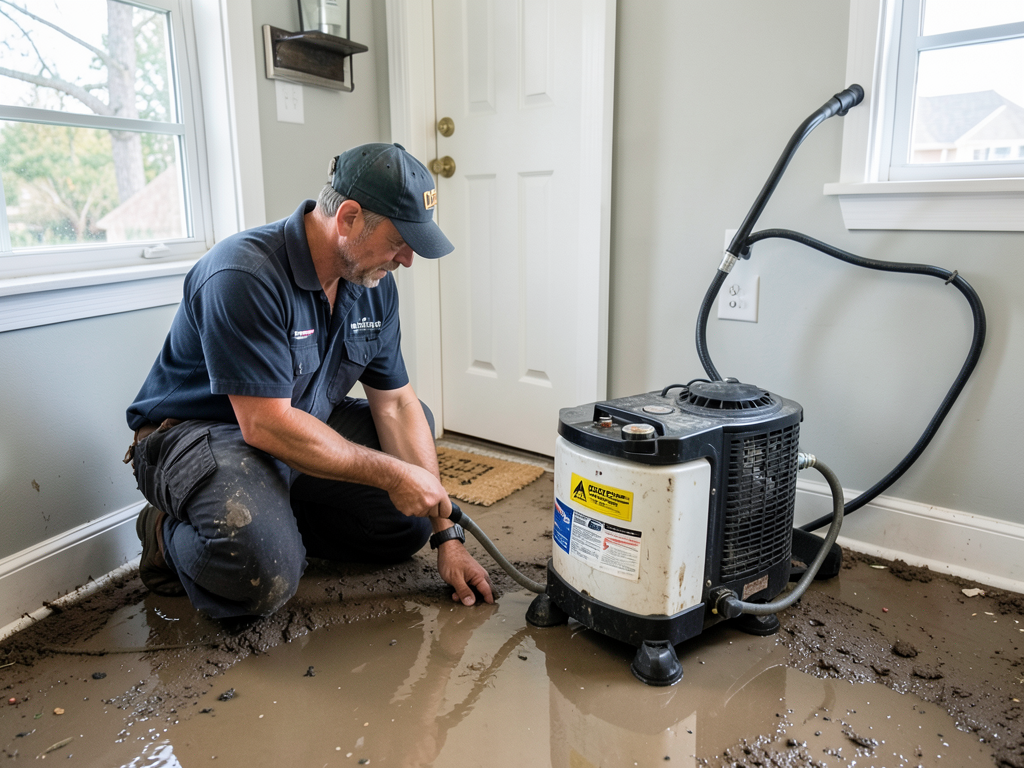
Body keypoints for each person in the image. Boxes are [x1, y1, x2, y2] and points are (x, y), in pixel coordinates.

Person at [124, 142, 493, 619]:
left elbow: (397, 406)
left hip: (292, 427)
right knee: (265, 572)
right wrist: (393, 473)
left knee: (405, 525)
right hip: (197, 435)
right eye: (400, 241)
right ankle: (162, 533)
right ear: (349, 218)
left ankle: (273, 516)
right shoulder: (244, 273)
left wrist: (446, 535)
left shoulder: (371, 285)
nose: (407, 260)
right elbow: (265, 425)